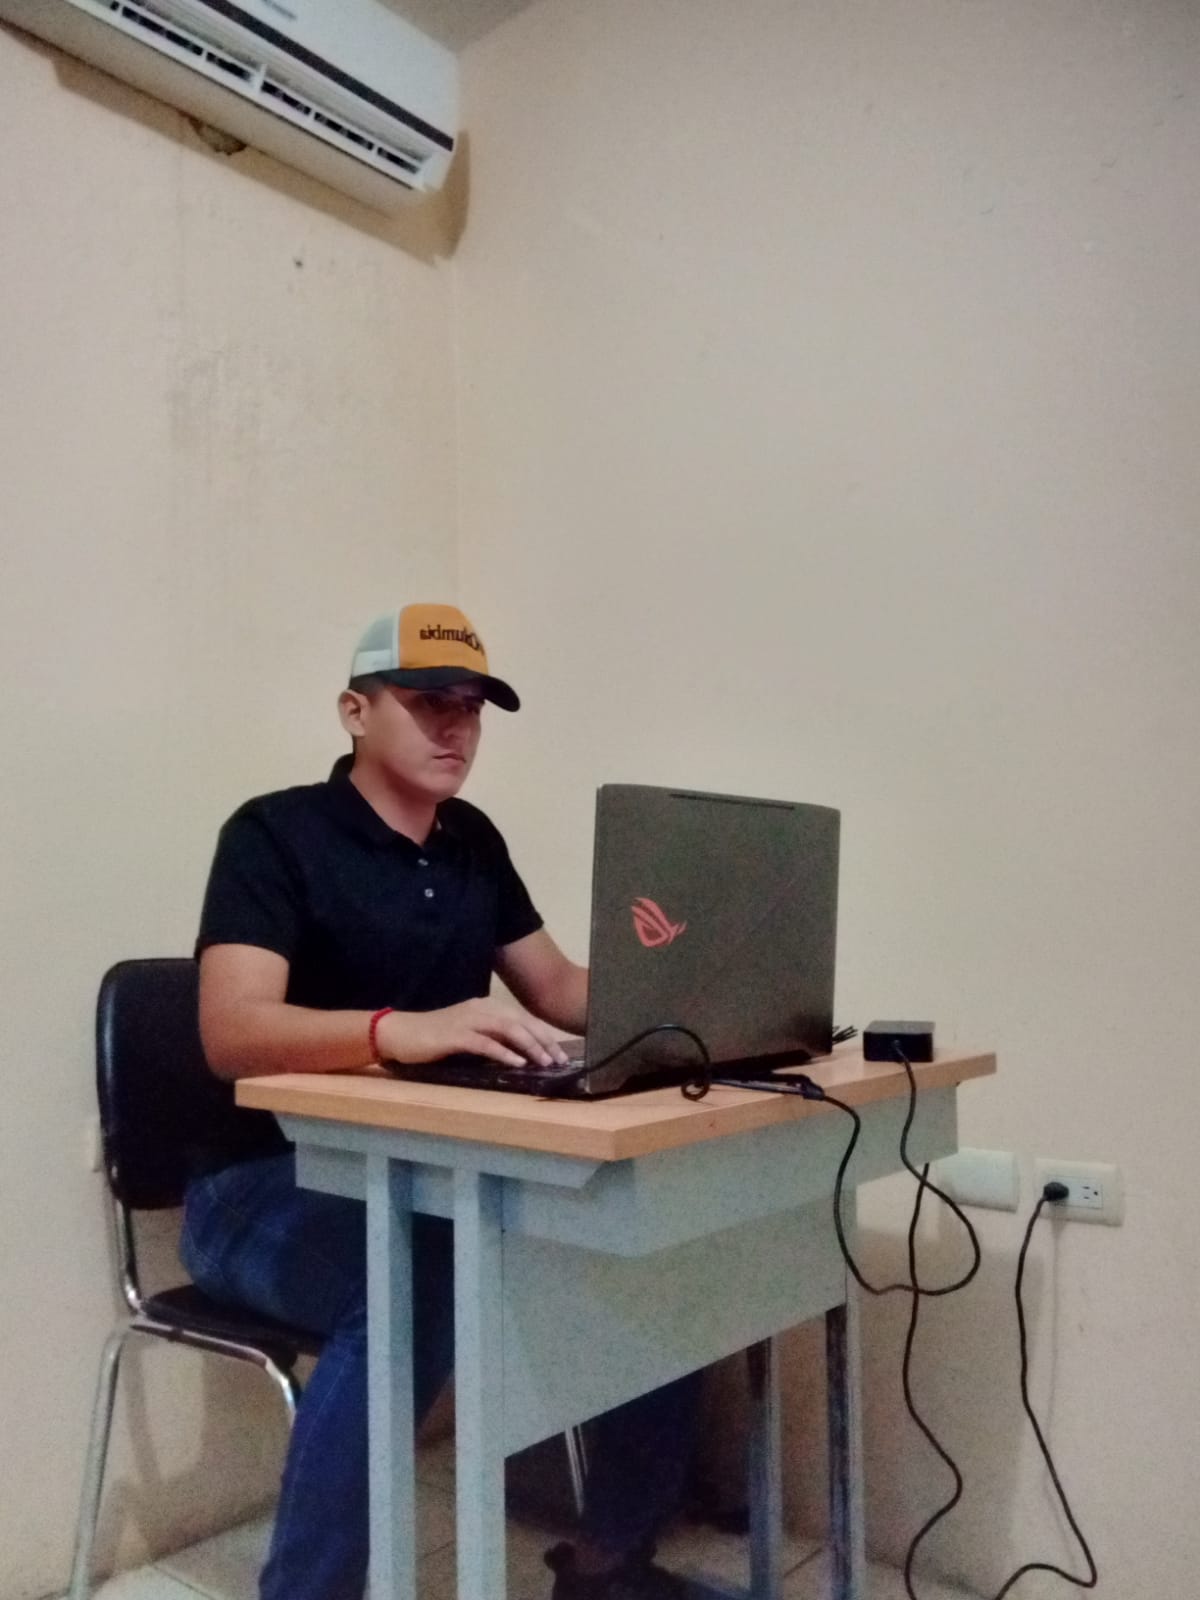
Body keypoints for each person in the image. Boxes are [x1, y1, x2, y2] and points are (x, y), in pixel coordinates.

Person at [180, 603, 701, 1600]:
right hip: (260, 1182)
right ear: (355, 711)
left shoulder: (471, 841)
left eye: (471, 707)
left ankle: (606, 1566)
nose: (456, 727)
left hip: (423, 1175)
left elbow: (558, 988)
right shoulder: (274, 833)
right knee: (418, 1279)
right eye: (428, 703)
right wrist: (393, 1029)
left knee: (643, 1244)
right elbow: (229, 1030)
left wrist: (691, 984)